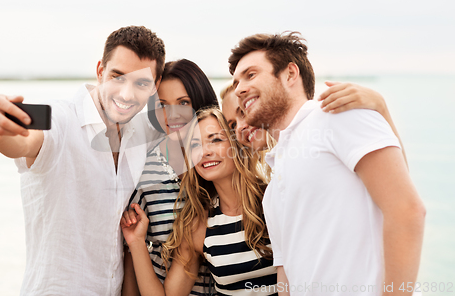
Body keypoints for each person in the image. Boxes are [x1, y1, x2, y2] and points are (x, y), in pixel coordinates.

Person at [229, 32, 425, 295]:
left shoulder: (337, 113)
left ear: (289, 74)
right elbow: (286, 277)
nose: (239, 89)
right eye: (235, 82)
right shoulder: (274, 186)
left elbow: (406, 210)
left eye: (250, 75)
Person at [0, 26, 165, 295]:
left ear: (155, 86)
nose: (126, 94)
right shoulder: (61, 120)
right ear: (100, 71)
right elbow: (24, 142)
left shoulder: (139, 138)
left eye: (141, 83)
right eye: (117, 76)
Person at [121, 107, 278, 296]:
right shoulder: (199, 226)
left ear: (236, 144)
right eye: (195, 145)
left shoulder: (275, 198)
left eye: (216, 140)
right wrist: (136, 241)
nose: (205, 152)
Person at [122, 59, 219, 296]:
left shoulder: (222, 162)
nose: (172, 114)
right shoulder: (144, 171)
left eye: (183, 102)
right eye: (163, 105)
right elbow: (132, 255)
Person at [221, 80, 408, 167]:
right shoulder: (274, 167)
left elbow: (397, 184)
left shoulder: (323, 128)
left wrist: (381, 108)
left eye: (243, 113)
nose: (239, 127)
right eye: (231, 125)